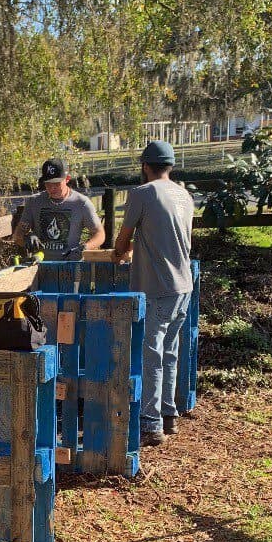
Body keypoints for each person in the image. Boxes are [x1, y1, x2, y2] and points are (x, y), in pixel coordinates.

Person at [113, 140, 194, 447]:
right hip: (183, 285)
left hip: (158, 287)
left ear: (145, 167)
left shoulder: (142, 194)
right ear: (170, 166)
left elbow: (123, 238)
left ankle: (151, 423)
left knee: (152, 355)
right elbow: (174, 237)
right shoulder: (184, 195)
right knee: (170, 351)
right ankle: (170, 416)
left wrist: (119, 254)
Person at [12, 158, 105, 259]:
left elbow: (99, 234)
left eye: (57, 183)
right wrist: (26, 238)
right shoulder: (34, 202)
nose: (52, 188)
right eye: (48, 183)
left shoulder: (81, 203)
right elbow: (17, 235)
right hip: (39, 265)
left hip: (69, 264)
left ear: (67, 179)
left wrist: (84, 247)